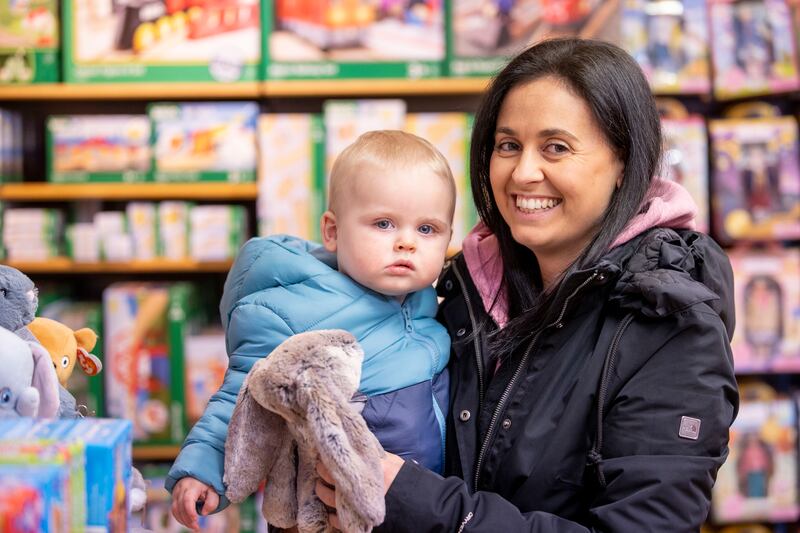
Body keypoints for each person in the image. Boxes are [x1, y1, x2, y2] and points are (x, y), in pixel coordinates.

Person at [316, 38, 738, 532]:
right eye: (508, 145)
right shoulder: (461, 291)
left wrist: (415, 500)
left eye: (556, 147)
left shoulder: (669, 326)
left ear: (623, 162)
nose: (523, 172)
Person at [168, 130, 456, 530]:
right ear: (333, 231)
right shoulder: (295, 310)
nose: (406, 242)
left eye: (427, 229)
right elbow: (242, 396)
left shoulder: (426, 301)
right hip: (325, 510)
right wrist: (203, 467)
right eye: (384, 223)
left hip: (416, 505)